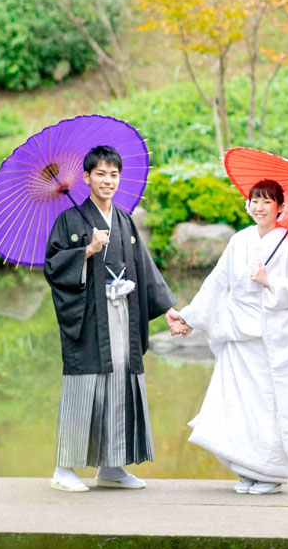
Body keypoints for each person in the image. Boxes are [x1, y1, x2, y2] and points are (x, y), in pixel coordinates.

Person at [43, 144, 187, 493]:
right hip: (90, 318)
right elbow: (53, 267)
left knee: (121, 384)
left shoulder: (124, 220)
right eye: (101, 174)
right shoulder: (70, 220)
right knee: (86, 386)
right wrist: (87, 251)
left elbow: (145, 270)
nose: (108, 180)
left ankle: (112, 465)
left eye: (114, 174)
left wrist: (168, 308)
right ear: (87, 178)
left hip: (124, 314)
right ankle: (64, 468)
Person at [177, 178, 288, 494]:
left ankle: (271, 472)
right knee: (240, 404)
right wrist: (189, 317)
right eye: (254, 200)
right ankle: (248, 469)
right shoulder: (239, 241)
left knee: (267, 404)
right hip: (238, 334)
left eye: (267, 201)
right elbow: (216, 283)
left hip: (268, 342)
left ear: (281, 208)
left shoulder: (287, 246)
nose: (259, 206)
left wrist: (270, 282)